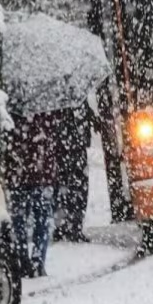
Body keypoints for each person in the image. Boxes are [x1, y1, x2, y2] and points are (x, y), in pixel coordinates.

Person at [3, 107, 60, 278]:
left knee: (19, 220)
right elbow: (52, 136)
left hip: (18, 175)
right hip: (40, 174)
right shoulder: (47, 107)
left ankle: (22, 259)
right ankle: (37, 260)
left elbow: (8, 140)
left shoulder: (10, 109)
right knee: (41, 220)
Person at [53, 94, 97, 243]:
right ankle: (67, 226)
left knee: (74, 189)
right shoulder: (64, 96)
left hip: (72, 149)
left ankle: (72, 226)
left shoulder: (76, 96)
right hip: (67, 150)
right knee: (70, 189)